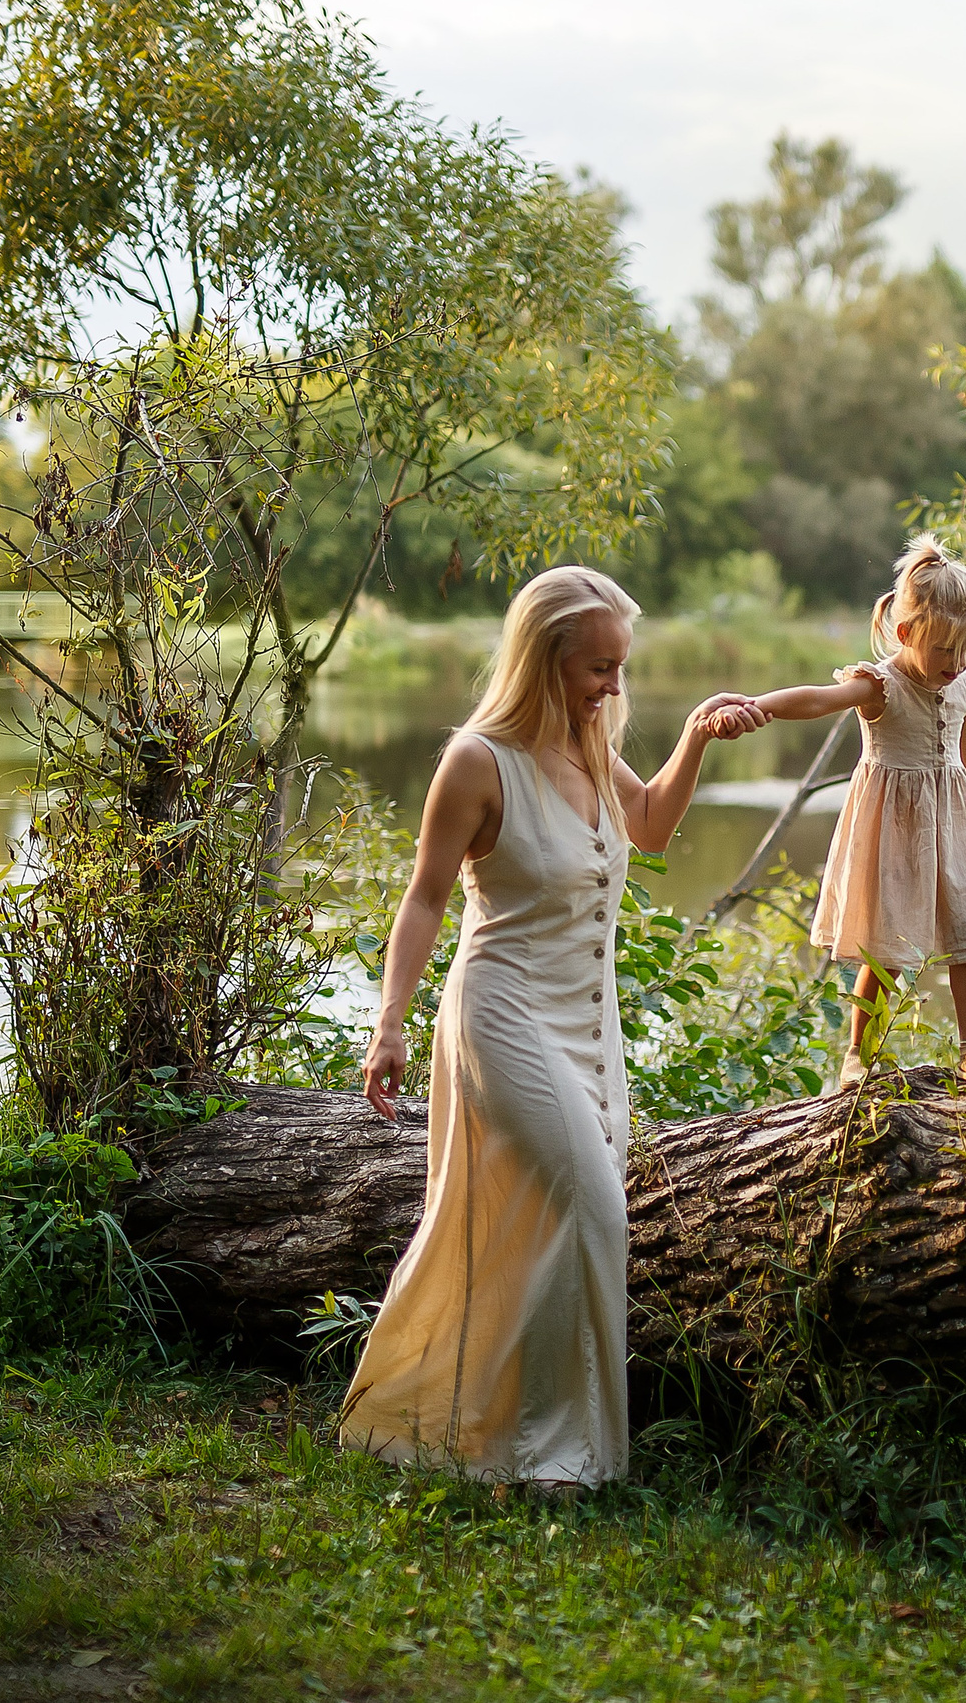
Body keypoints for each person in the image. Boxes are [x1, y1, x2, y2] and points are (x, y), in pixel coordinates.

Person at [342, 566, 766, 1491]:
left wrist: (694, 736)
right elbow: (423, 900)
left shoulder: (585, 744)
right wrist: (389, 1025)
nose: (615, 687)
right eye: (598, 668)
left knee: (558, 1220)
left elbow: (649, 824)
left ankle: (522, 1435)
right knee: (592, 1203)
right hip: (501, 1010)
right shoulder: (477, 761)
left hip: (586, 1019)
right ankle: (551, 1457)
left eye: (622, 667)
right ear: (543, 660)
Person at [712, 534, 966, 1092]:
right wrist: (757, 707)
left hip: (951, 826)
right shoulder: (880, 684)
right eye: (945, 652)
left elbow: (964, 748)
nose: (958, 665)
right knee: (885, 950)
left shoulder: (962, 685)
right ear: (907, 634)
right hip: (891, 828)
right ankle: (860, 1057)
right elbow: (816, 698)